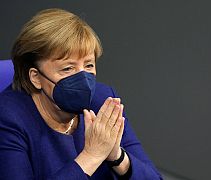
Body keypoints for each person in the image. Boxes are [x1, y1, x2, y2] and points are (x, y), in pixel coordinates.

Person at [0, 8, 162, 180]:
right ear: (36, 77)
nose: (82, 78)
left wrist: (117, 157)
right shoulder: (8, 117)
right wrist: (91, 156)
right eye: (68, 68)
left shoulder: (103, 100)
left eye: (89, 65)